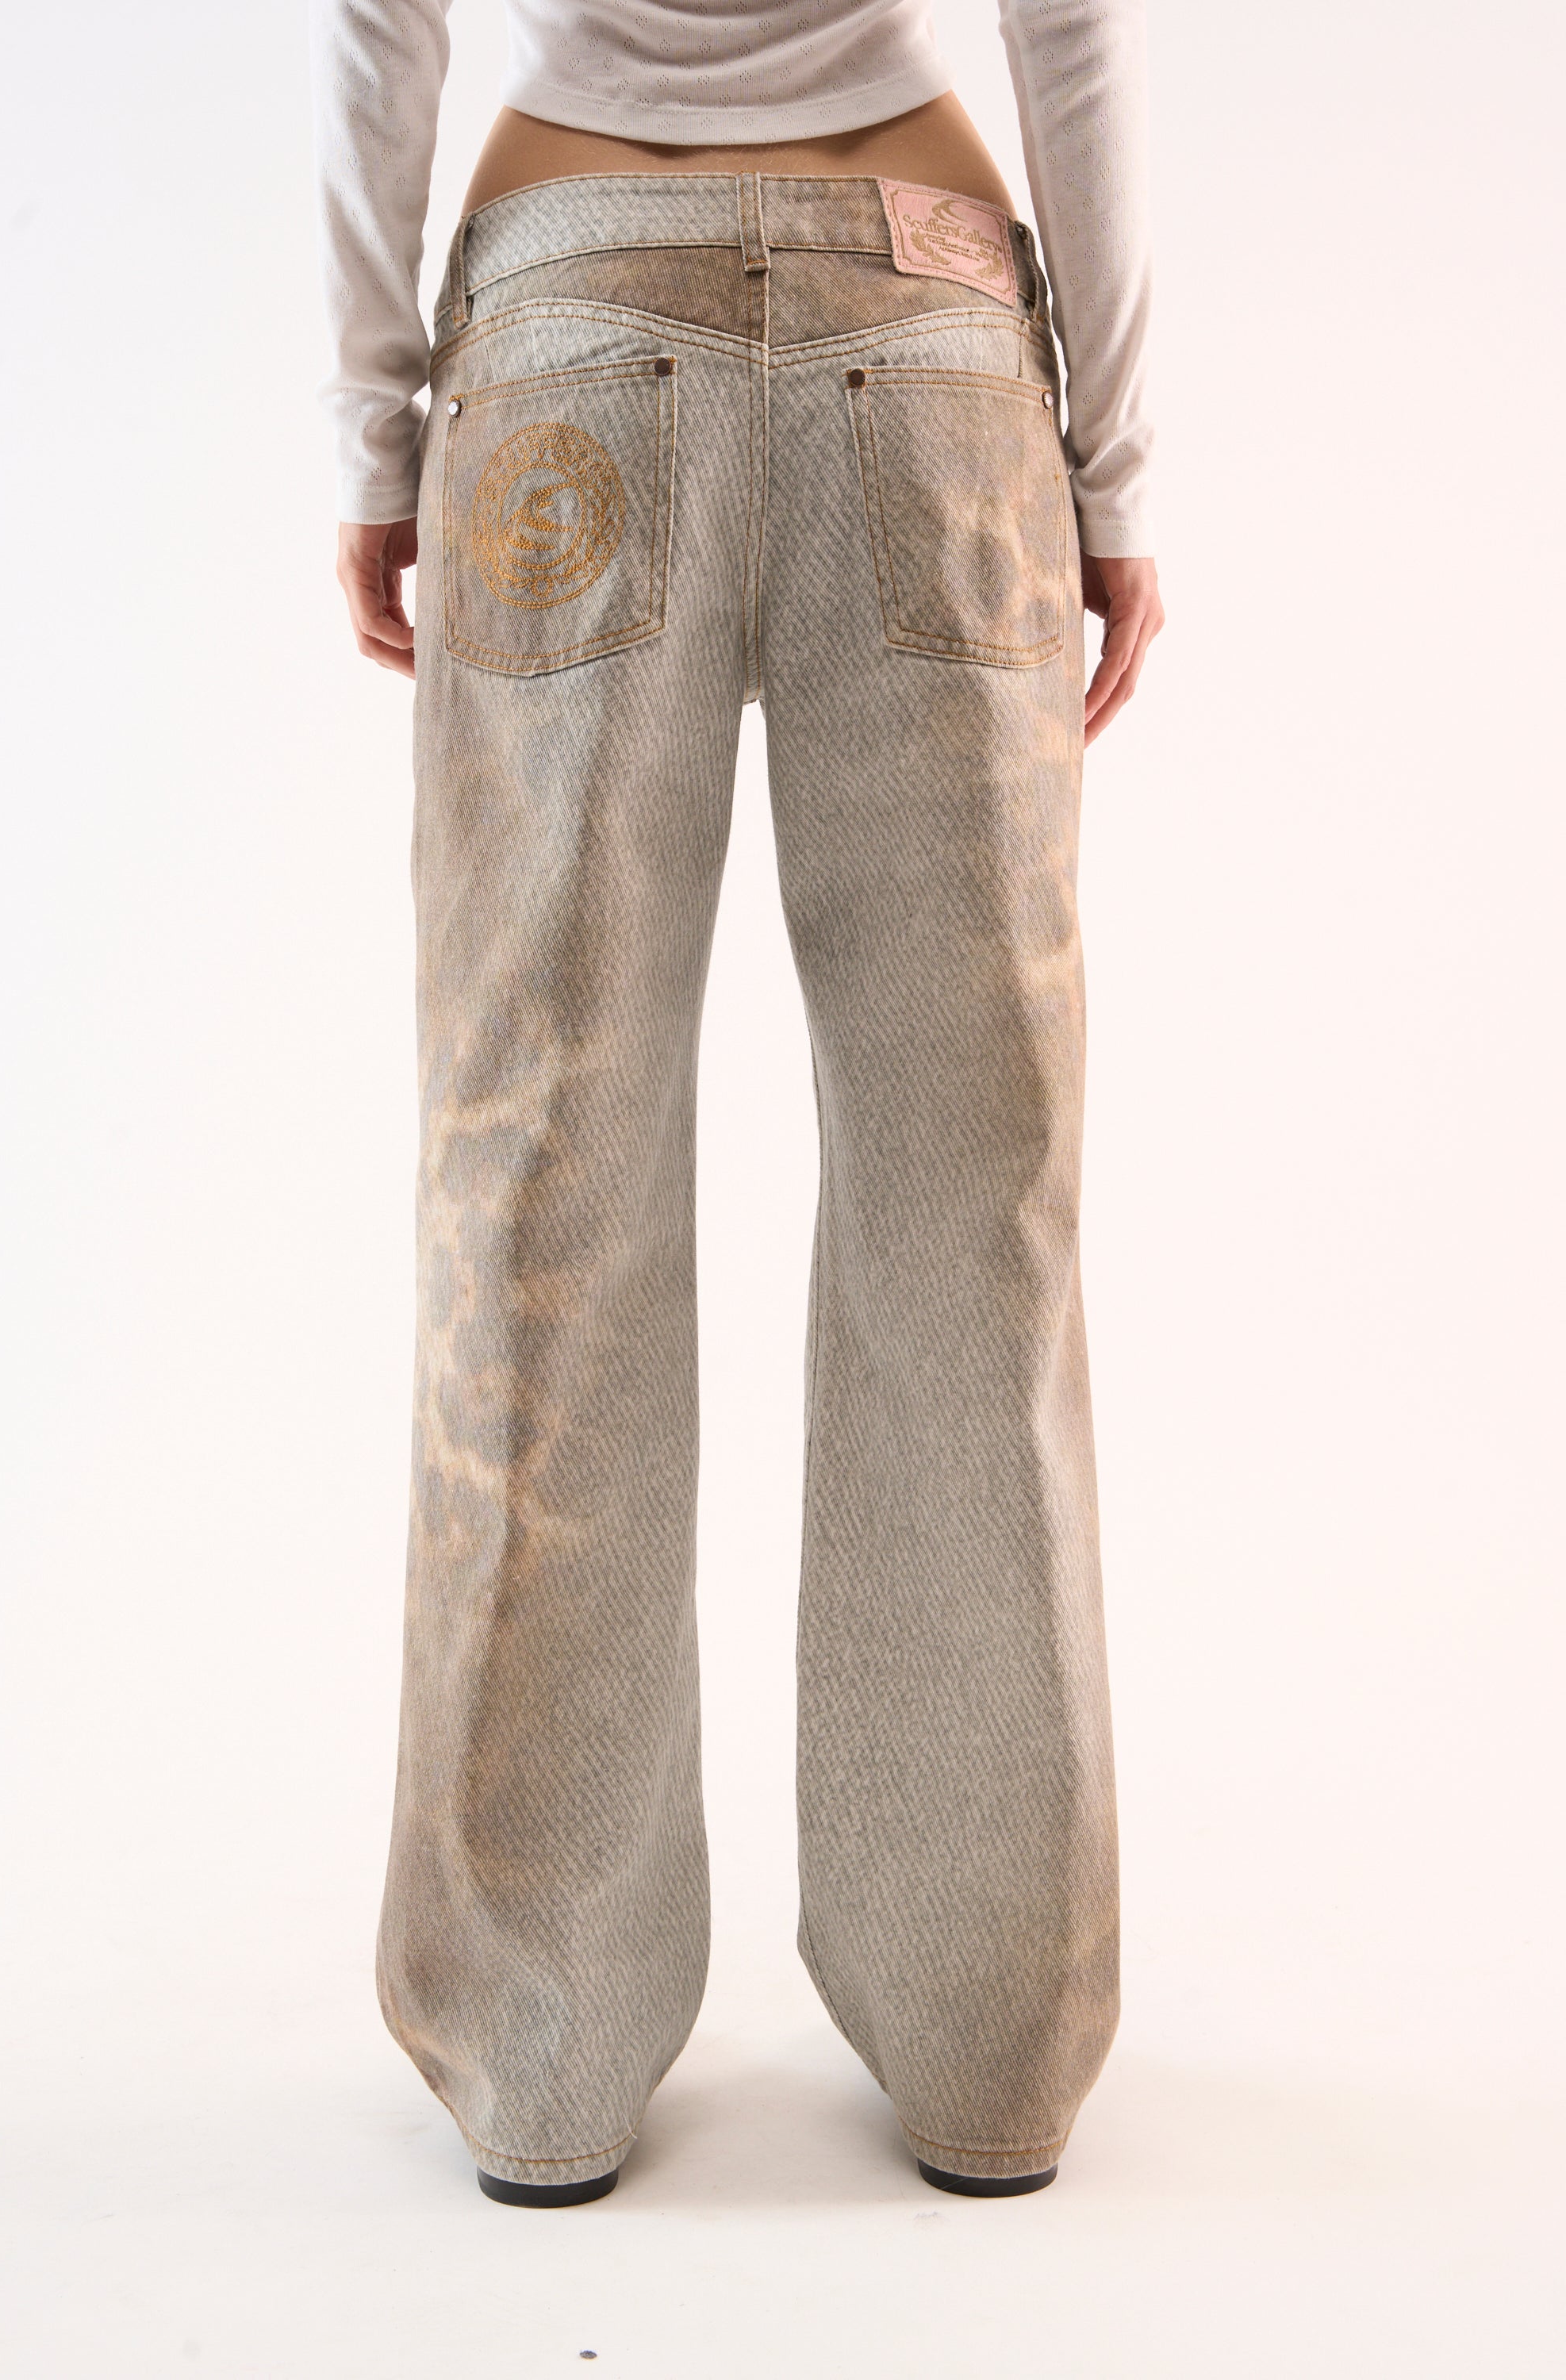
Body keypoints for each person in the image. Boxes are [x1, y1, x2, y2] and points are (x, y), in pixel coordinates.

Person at [311, 0, 1163, 2211]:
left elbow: (379, 23)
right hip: (933, 331)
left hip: (570, 322)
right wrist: (1116, 470)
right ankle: (992, 2044)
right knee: (976, 1204)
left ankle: (543, 2053)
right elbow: (1071, 26)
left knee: (537, 1185)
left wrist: (376, 434)